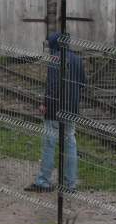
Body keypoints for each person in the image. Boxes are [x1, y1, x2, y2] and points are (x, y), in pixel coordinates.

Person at [27, 32, 86, 193]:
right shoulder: (77, 59)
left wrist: (45, 103)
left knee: (49, 144)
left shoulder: (55, 59)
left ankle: (43, 181)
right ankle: (70, 184)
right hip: (71, 109)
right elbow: (82, 84)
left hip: (54, 109)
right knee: (70, 144)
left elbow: (53, 84)